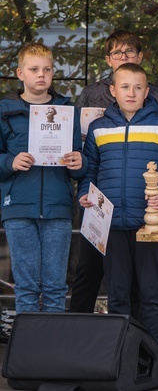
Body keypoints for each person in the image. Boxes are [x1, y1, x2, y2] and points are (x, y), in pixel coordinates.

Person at [78, 63, 158, 342]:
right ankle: (121, 356)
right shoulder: (98, 128)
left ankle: (151, 357)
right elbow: (90, 172)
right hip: (110, 224)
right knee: (117, 294)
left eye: (138, 87)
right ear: (113, 90)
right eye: (125, 87)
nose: (131, 92)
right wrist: (83, 192)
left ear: (147, 92)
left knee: (151, 292)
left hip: (150, 224)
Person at [71, 30, 158, 316]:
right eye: (117, 53)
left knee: (136, 281)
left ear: (140, 57)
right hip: (100, 197)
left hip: (139, 202)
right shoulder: (90, 93)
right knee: (88, 269)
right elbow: (80, 143)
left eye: (130, 53)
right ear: (108, 59)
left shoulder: (157, 96)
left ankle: (135, 340)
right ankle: (77, 330)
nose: (123, 57)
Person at [0, 42, 86, 312]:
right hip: (18, 207)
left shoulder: (66, 111)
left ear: (52, 73)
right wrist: (10, 161)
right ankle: (28, 350)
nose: (41, 75)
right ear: (20, 73)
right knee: (25, 286)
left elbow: (79, 165)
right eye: (34, 69)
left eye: (47, 69)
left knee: (55, 286)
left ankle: (54, 349)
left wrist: (77, 163)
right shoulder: (4, 110)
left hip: (57, 206)